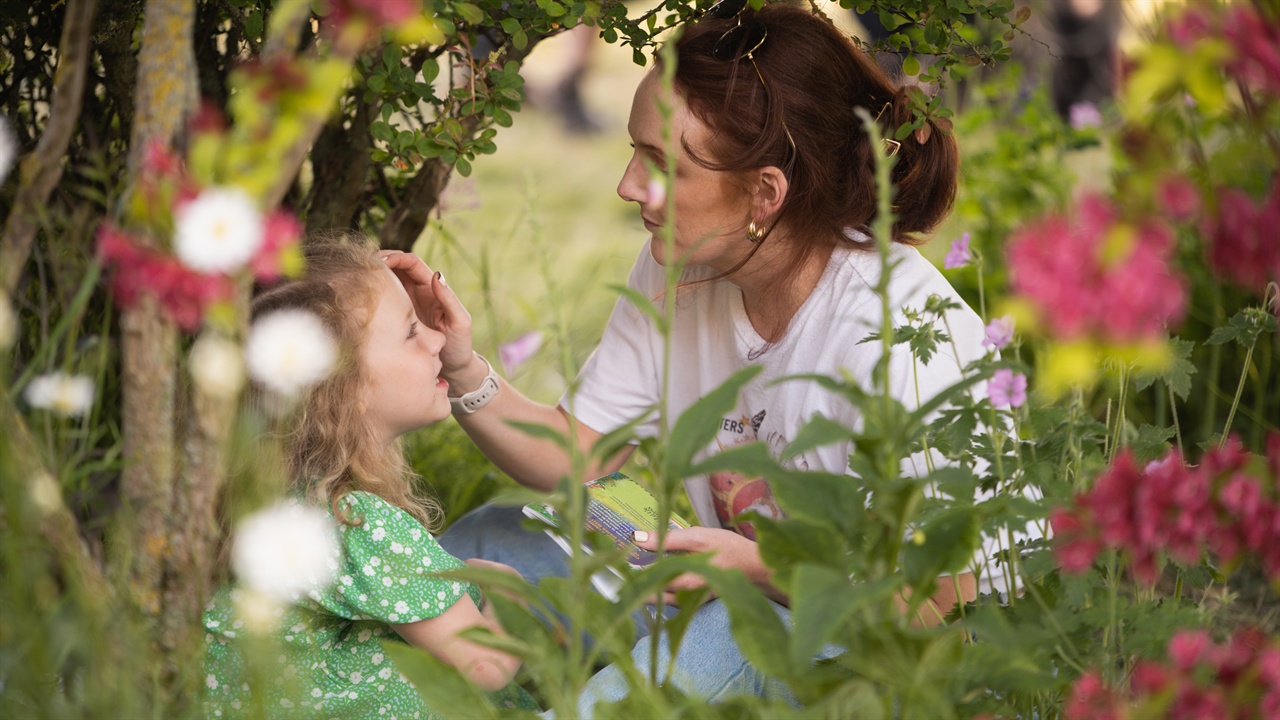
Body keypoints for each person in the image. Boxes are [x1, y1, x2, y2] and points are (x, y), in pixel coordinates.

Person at [384, 1, 1017, 713]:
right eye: (633, 150)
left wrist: (754, 563)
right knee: (484, 552)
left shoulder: (897, 332)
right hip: (731, 579)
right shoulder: (683, 259)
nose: (627, 185)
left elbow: (938, 598)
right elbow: (587, 461)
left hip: (879, 647)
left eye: (660, 164)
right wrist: (464, 370)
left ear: (764, 195)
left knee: (706, 647)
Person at [202, 237, 538, 718]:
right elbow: (484, 665)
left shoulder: (271, 498)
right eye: (410, 332)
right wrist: (505, 590)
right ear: (344, 389)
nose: (437, 338)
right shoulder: (358, 521)